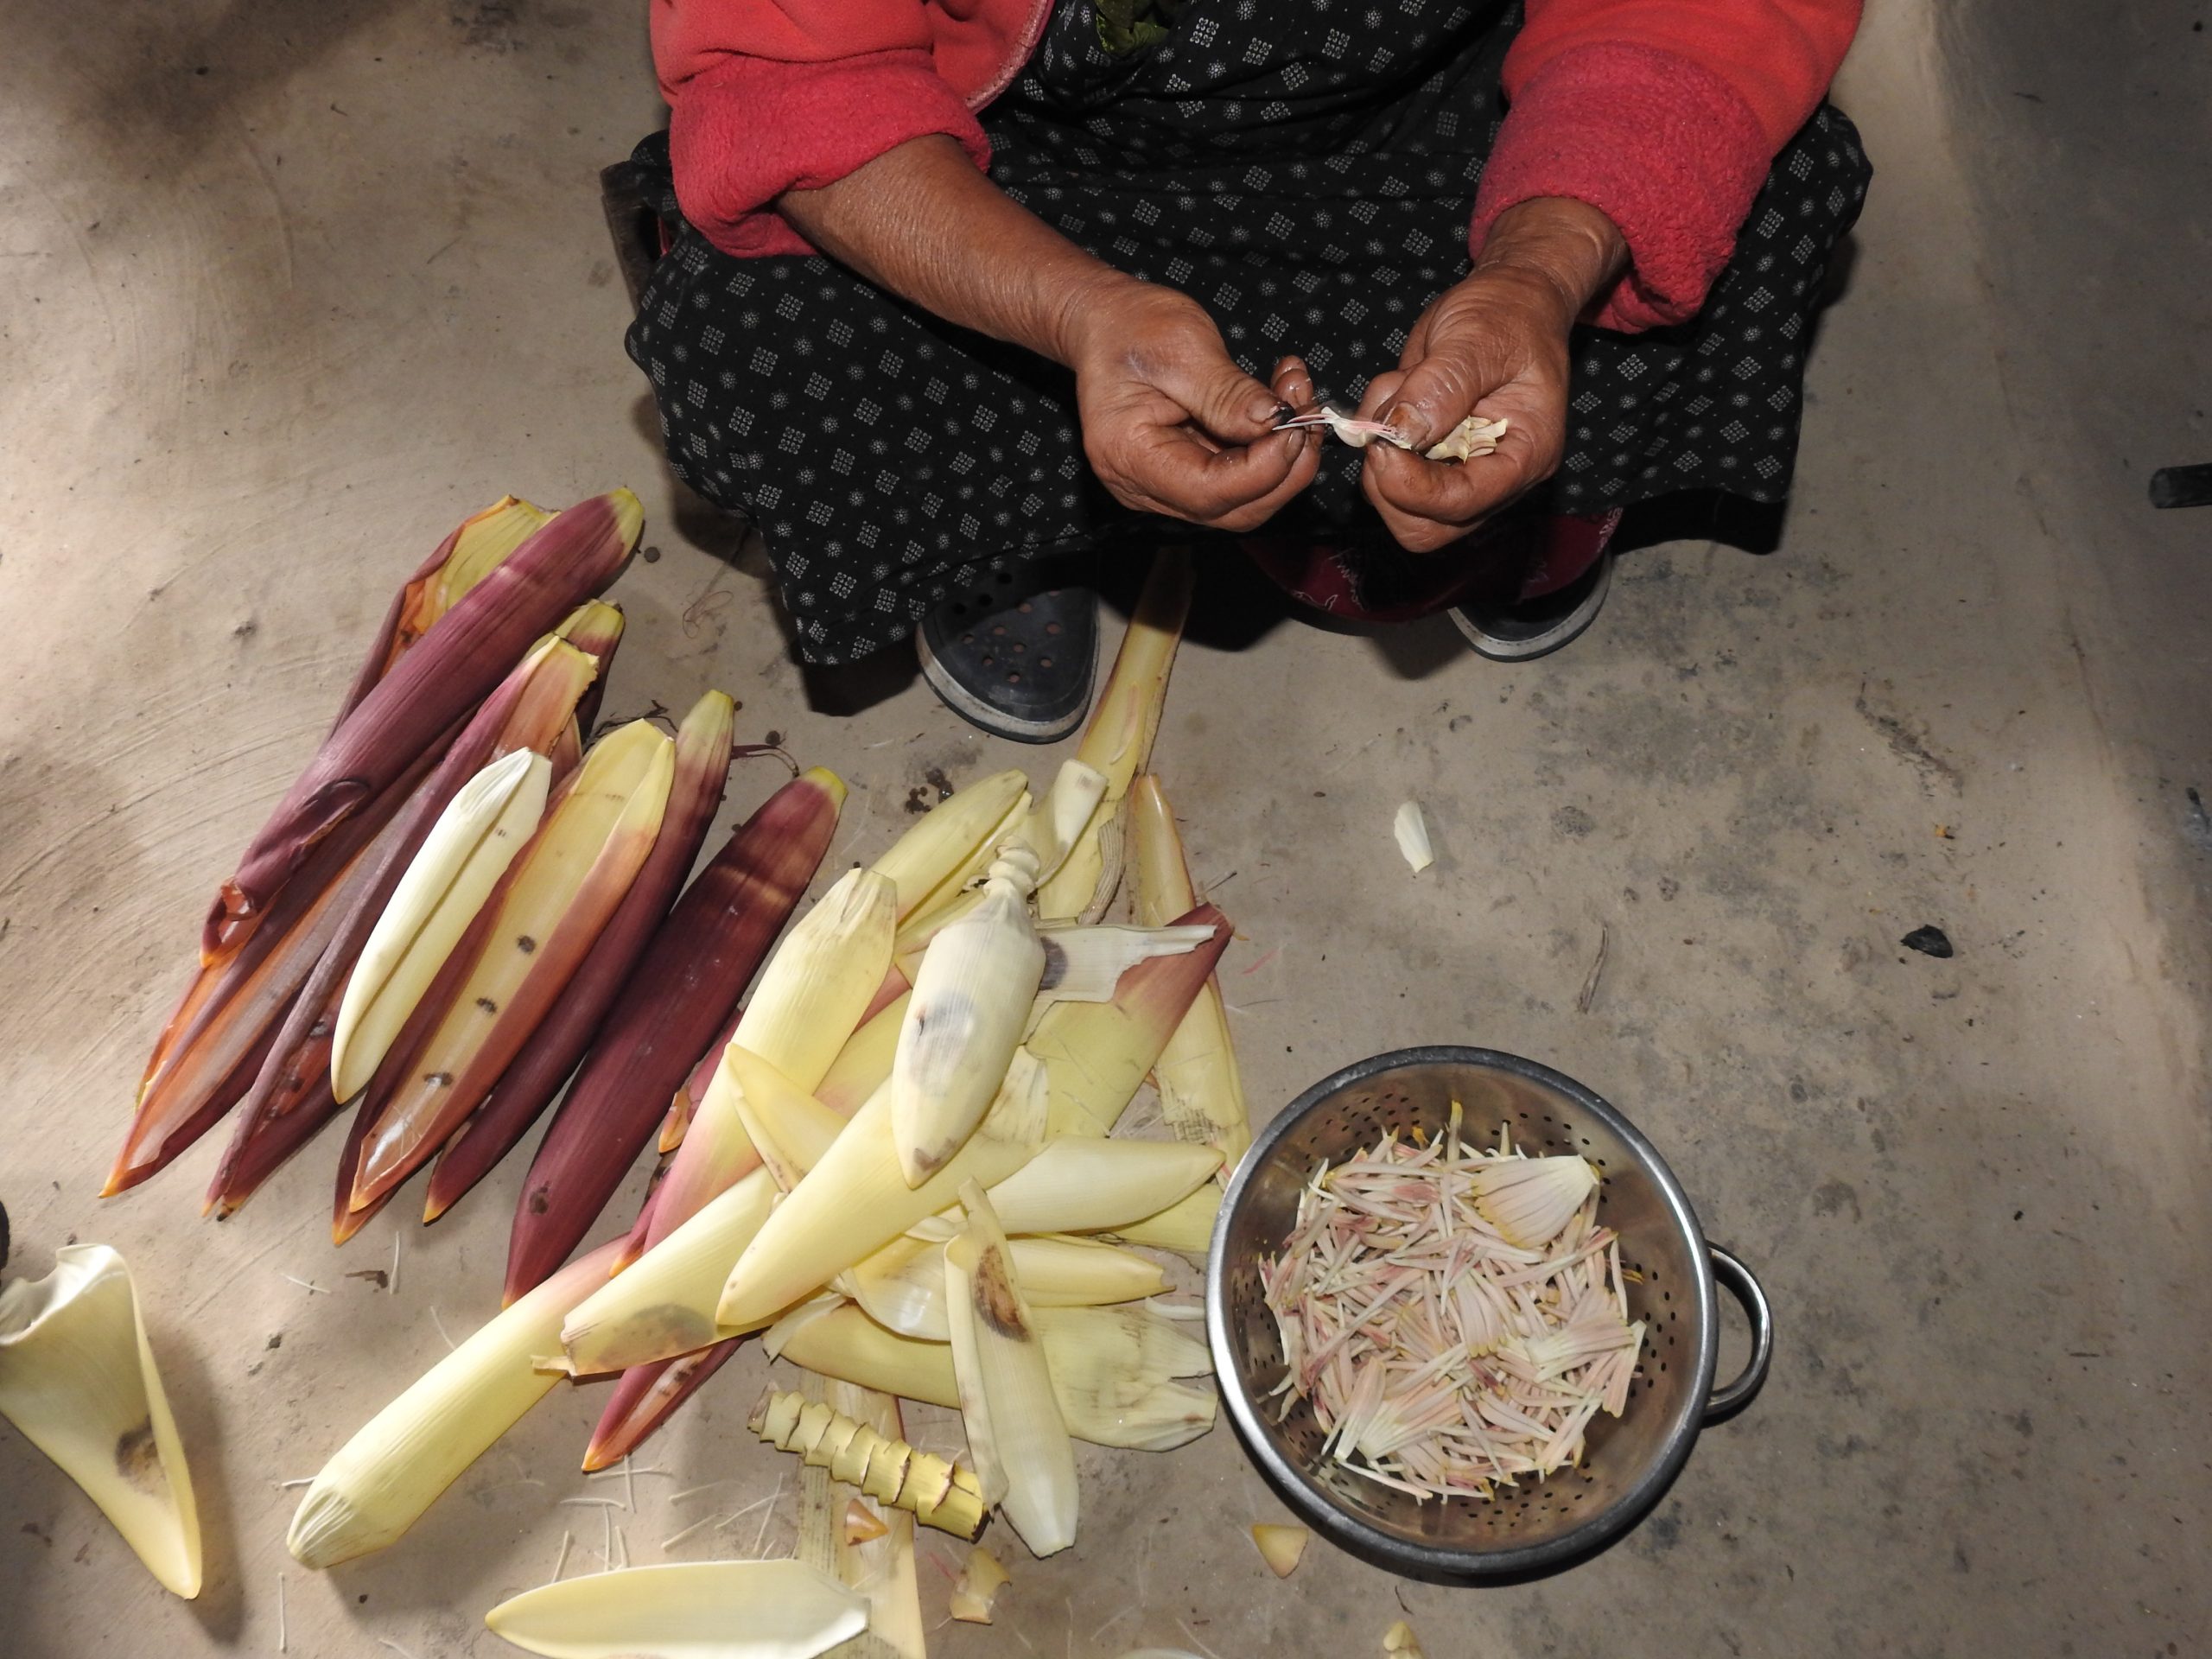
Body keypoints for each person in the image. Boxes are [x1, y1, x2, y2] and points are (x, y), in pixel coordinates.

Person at [620, 0, 1869, 741]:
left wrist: (1543, 267)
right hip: (1028, 153)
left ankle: (1520, 476)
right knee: (760, 326)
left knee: (1756, 194)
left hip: (1463, 102)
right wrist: (1073, 309)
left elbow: (1704, 16)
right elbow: (798, 71)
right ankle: (1006, 530)